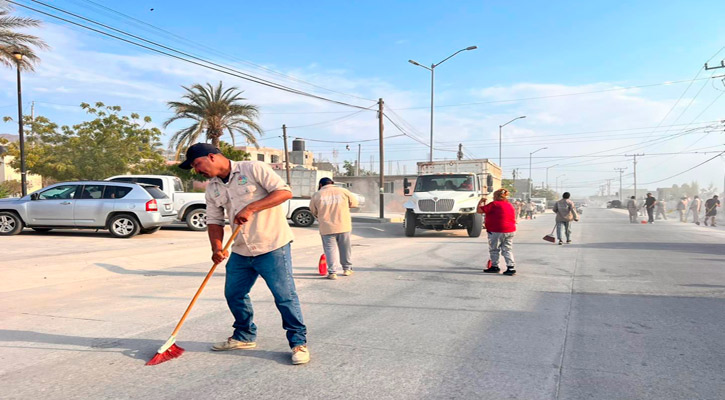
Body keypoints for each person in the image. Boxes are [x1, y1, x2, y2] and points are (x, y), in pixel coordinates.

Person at [179, 143, 310, 365]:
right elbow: (213, 221)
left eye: (197, 164)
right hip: (240, 249)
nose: (196, 170)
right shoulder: (212, 188)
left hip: (272, 245)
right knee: (234, 294)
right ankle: (244, 335)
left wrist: (251, 208)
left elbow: (284, 192)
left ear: (211, 157)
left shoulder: (252, 169)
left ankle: (298, 343)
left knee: (284, 297)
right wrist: (217, 248)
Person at [309, 177, 359, 280]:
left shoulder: (317, 195)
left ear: (321, 185)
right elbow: (354, 203)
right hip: (343, 225)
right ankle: (347, 269)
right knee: (345, 248)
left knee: (330, 249)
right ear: (332, 183)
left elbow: (313, 211)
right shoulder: (344, 191)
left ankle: (332, 272)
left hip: (327, 227)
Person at [479, 188, 517, 276]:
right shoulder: (509, 205)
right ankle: (511, 267)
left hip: (497, 230)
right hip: (510, 230)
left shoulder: (494, 204)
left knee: (494, 249)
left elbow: (479, 210)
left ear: (496, 196)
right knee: (507, 249)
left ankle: (494, 266)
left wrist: (480, 202)